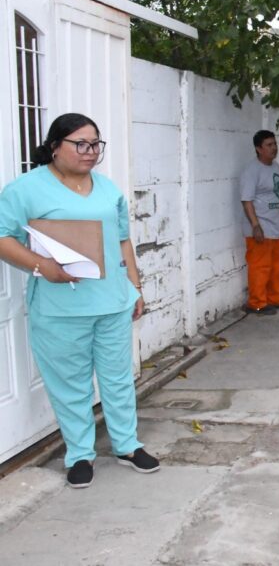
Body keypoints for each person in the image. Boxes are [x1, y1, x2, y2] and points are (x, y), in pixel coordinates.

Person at [0, 113, 159, 488]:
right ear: (55, 147)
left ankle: (127, 445)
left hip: (112, 302)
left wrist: (135, 287)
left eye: (96, 144)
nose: (90, 152)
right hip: (60, 308)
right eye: (81, 144)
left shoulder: (107, 189)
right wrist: (42, 266)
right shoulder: (25, 190)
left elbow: (123, 240)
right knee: (70, 384)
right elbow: (4, 238)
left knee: (118, 379)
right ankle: (80, 455)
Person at [240, 130, 279, 315]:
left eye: (275, 144)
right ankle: (256, 303)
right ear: (258, 149)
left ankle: (276, 299)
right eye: (269, 145)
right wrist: (255, 226)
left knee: (278, 266)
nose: (274, 148)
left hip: (275, 228)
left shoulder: (276, 167)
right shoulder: (252, 171)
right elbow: (246, 201)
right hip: (261, 229)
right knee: (260, 267)